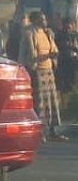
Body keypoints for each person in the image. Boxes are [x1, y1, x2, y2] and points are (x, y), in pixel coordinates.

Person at [27, 11, 67, 142]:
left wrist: (53, 55)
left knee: (52, 102)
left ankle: (53, 130)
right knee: (41, 103)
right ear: (35, 20)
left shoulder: (47, 33)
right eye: (42, 19)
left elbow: (53, 49)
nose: (45, 21)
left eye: (45, 19)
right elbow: (31, 56)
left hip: (49, 70)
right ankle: (40, 131)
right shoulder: (30, 34)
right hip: (38, 71)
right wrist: (46, 56)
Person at [57, 18, 78, 96]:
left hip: (73, 60)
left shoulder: (75, 34)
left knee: (73, 80)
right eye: (66, 25)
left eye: (69, 25)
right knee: (64, 81)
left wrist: (72, 46)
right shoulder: (58, 34)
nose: (68, 27)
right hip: (63, 61)